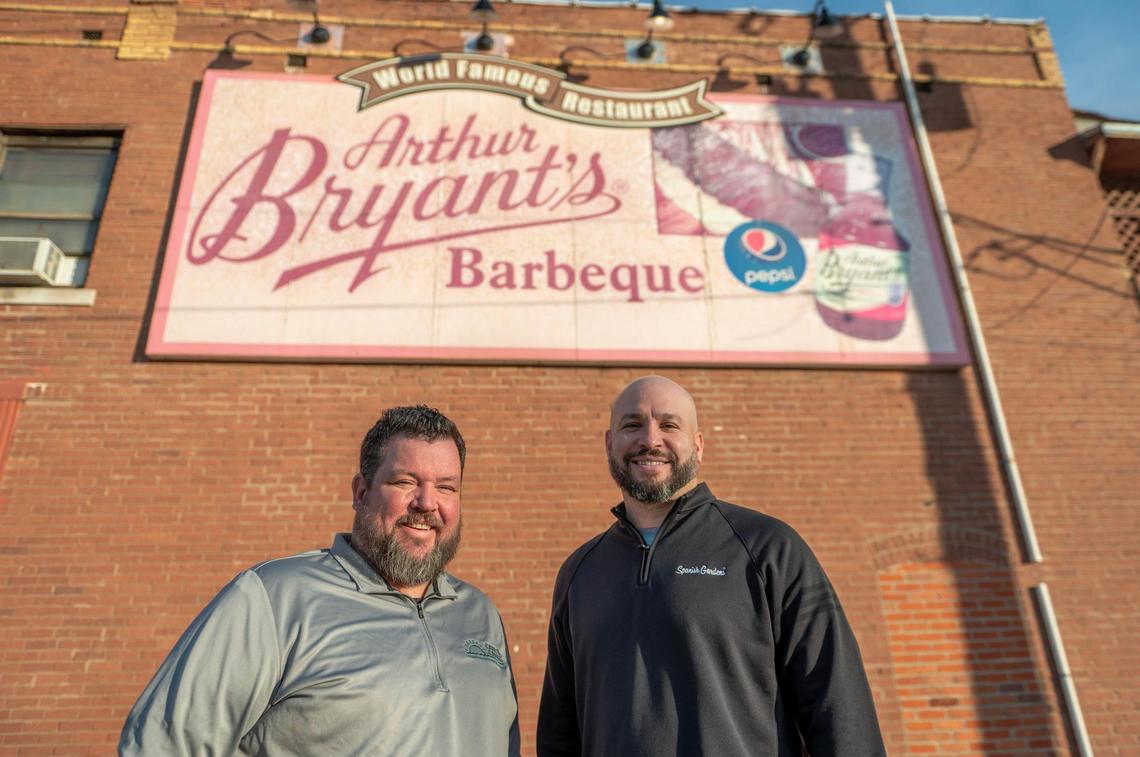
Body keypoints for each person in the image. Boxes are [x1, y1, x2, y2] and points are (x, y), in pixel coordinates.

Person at [120, 405, 520, 756]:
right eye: (405, 482)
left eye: (446, 487)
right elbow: (163, 745)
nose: (426, 502)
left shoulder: (480, 615)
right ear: (361, 492)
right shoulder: (272, 598)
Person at [536, 376, 885, 756]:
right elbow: (559, 732)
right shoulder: (580, 573)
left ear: (698, 446)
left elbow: (838, 706)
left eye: (669, 425)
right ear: (609, 443)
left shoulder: (768, 548)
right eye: (632, 425)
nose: (650, 439)